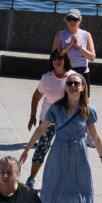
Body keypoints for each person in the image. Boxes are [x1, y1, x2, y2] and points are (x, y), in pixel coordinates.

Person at [19, 71, 102, 203]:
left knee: (83, 192)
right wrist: (27, 150)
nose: (73, 86)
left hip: (79, 155)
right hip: (58, 153)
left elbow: (95, 136)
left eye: (77, 83)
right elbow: (41, 130)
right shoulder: (56, 108)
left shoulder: (88, 110)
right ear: (66, 88)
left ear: (83, 87)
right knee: (50, 191)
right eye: (70, 84)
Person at [25, 51, 72, 187]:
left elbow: (82, 98)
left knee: (65, 151)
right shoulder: (47, 78)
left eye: (60, 58)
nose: (57, 61)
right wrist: (32, 116)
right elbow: (36, 97)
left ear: (66, 60)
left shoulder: (73, 77)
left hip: (66, 122)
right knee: (42, 149)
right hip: (47, 121)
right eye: (54, 58)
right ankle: (31, 178)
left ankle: (63, 180)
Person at [53, 9, 96, 76]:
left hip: (83, 71)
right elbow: (55, 56)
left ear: (80, 20)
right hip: (65, 71)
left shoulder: (86, 35)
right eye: (69, 19)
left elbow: (92, 58)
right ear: (66, 20)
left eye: (75, 19)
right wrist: (70, 44)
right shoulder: (59, 35)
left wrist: (78, 46)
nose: (72, 21)